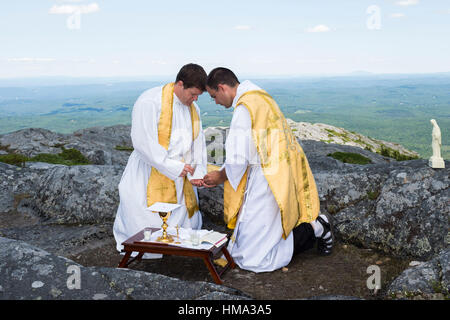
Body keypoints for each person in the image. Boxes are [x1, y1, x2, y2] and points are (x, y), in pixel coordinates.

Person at [203, 67, 333, 272]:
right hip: (277, 169)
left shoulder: (245, 107)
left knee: (255, 259)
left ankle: (316, 228)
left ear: (222, 87)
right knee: (248, 245)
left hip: (267, 178)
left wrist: (220, 176)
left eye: (213, 96)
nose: (216, 102)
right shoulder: (260, 97)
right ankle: (313, 227)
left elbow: (238, 156)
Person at [113, 63, 208, 256]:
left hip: (180, 174)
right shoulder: (150, 101)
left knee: (183, 222)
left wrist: (198, 172)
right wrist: (170, 166)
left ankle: (178, 246)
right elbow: (142, 141)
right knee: (147, 220)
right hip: (150, 170)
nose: (195, 99)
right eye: (193, 94)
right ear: (180, 84)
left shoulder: (193, 108)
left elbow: (198, 141)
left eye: (198, 95)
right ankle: (145, 247)